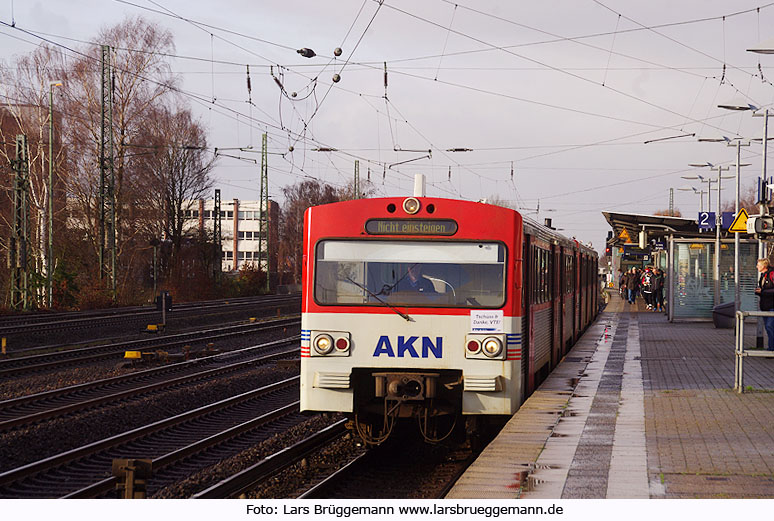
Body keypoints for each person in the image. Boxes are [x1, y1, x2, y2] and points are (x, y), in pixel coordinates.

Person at [755, 258, 774, 351]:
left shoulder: (772, 274)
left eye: (758, 265)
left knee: (770, 326)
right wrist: (759, 292)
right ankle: (771, 347)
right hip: (765, 306)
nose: (757, 267)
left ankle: (772, 348)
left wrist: (762, 291)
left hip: (772, 306)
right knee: (768, 327)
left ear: (764, 266)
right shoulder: (763, 276)